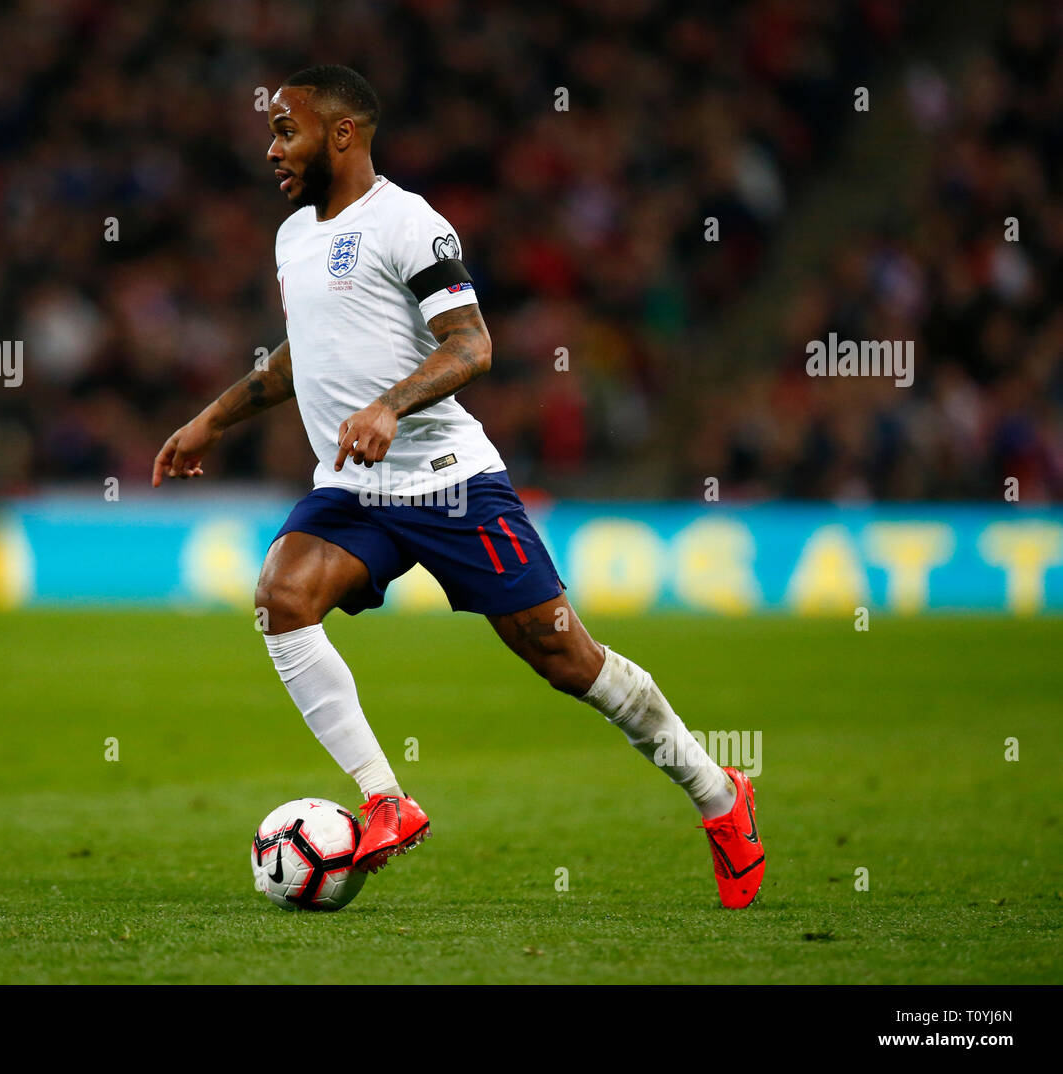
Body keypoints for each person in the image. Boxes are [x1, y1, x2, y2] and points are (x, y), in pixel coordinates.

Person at [153, 65, 763, 907]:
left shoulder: (410, 223)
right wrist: (213, 420)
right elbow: (306, 353)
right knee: (281, 597)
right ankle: (385, 800)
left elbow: (473, 345)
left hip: (450, 486)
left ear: (342, 134)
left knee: (565, 658)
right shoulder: (294, 236)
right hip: (355, 490)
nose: (271, 149)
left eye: (286, 130)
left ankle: (720, 797)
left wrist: (391, 406)